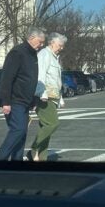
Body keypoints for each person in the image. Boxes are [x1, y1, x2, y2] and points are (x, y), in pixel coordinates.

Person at [0, 28, 46, 161]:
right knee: (18, 130)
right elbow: (7, 78)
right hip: (14, 99)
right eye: (40, 42)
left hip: (25, 101)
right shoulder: (17, 52)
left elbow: (31, 78)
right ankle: (0, 159)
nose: (41, 45)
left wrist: (33, 100)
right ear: (32, 37)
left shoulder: (32, 54)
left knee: (22, 134)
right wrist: (5, 102)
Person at [28, 33, 67, 162]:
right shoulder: (44, 54)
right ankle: (34, 148)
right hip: (45, 97)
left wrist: (60, 98)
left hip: (53, 97)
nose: (61, 48)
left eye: (62, 46)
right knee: (52, 124)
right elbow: (40, 75)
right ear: (52, 42)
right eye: (60, 45)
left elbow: (56, 80)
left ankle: (41, 157)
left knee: (45, 127)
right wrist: (42, 93)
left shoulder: (55, 57)